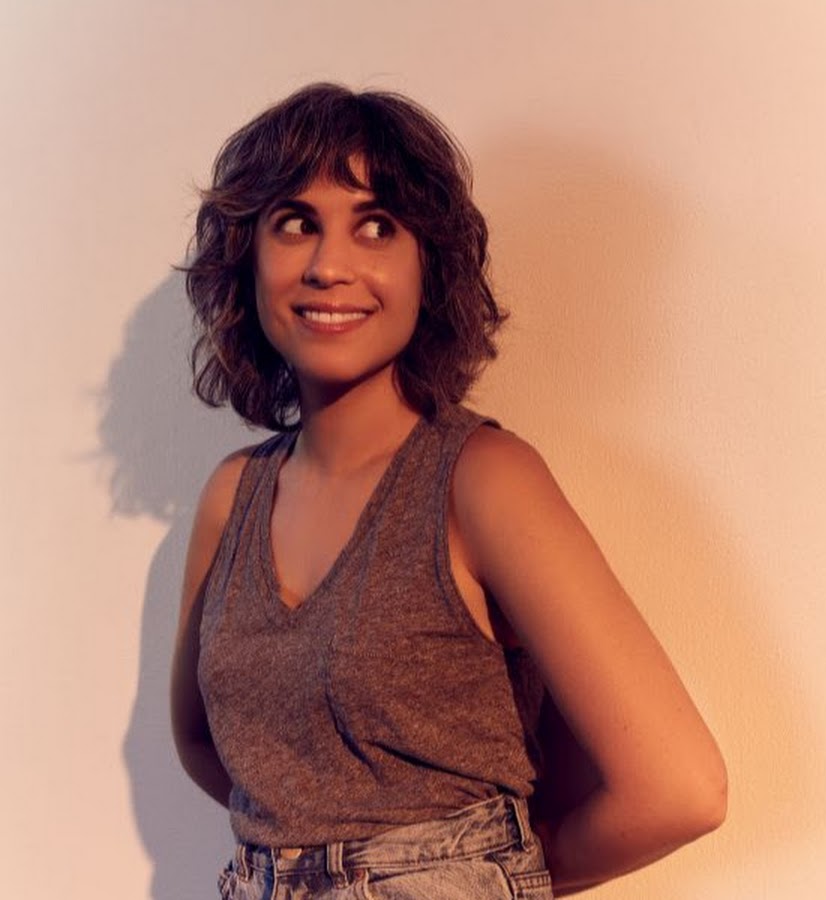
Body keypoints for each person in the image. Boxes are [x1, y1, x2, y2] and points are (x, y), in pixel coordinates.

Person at [170, 82, 727, 899]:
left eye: (376, 226)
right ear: (247, 258)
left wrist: (476, 876)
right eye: (295, 223)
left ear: (427, 265)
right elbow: (200, 741)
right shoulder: (235, 494)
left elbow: (679, 788)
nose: (328, 266)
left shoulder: (482, 479)